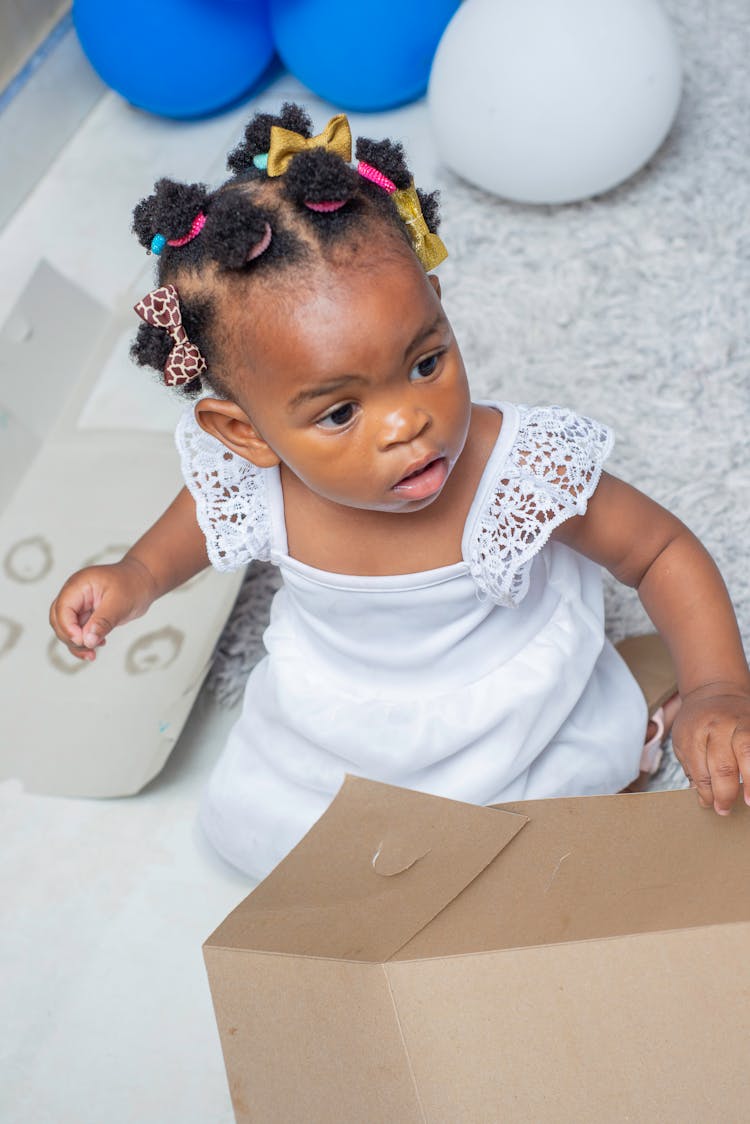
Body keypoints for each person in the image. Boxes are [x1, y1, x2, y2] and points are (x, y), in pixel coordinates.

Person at [49, 104, 750, 879]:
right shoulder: (255, 477)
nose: (409, 422)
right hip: (340, 712)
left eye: (426, 362)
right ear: (244, 432)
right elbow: (188, 528)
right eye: (342, 411)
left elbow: (659, 551)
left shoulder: (510, 465)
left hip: (505, 701)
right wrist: (135, 577)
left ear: (440, 311)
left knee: (554, 824)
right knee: (290, 836)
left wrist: (719, 685)